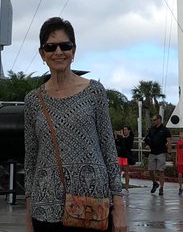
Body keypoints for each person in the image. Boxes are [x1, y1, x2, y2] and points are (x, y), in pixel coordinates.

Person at [24, 17, 126, 231]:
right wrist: (28, 216)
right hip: (46, 210)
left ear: (74, 50)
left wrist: (119, 207)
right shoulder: (34, 100)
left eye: (65, 46)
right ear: (42, 54)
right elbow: (31, 159)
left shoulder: (94, 92)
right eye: (51, 47)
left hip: (91, 206)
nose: (58, 52)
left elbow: (108, 149)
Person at [143, 113, 170, 195]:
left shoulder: (165, 130)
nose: (153, 121)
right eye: (152, 120)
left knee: (161, 170)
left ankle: (161, 188)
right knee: (150, 169)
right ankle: (155, 183)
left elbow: (169, 140)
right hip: (153, 151)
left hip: (161, 152)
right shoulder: (151, 129)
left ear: (159, 120)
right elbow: (147, 139)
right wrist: (147, 145)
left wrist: (169, 150)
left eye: (154, 120)